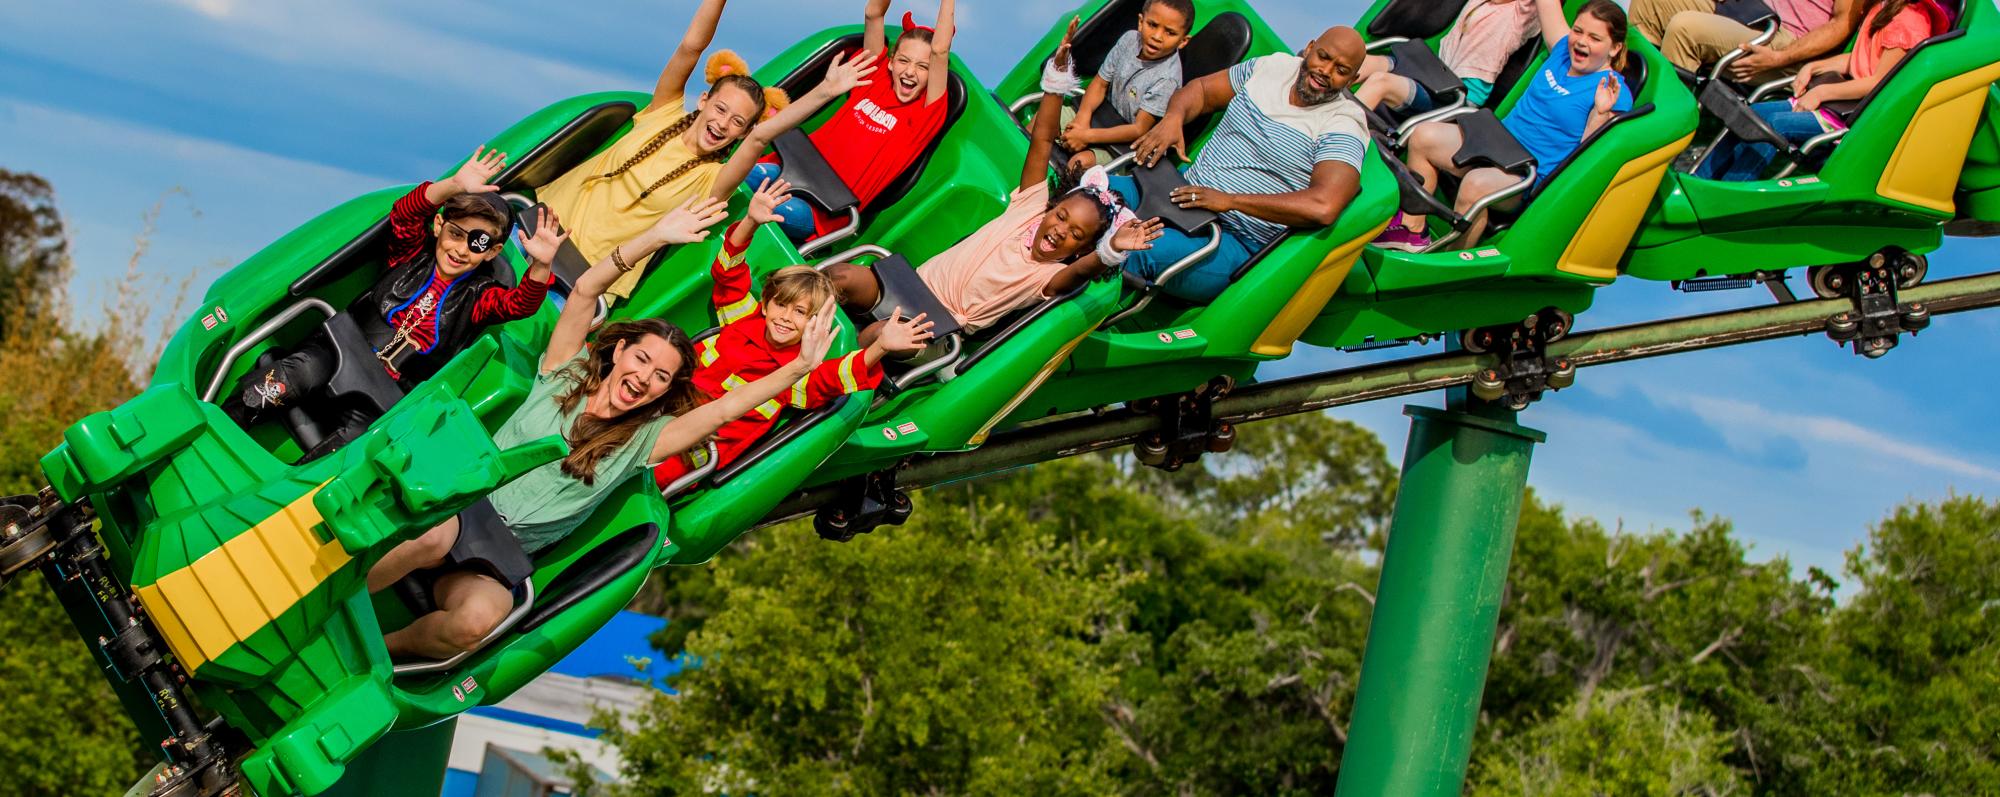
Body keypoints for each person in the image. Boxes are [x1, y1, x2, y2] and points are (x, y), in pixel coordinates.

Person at [365, 197, 839, 661]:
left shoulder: (645, 441)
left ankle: (380, 655)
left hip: (498, 554)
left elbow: (722, 411)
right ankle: (331, 606)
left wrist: (798, 368)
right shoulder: (565, 370)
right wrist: (654, 237)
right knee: (431, 536)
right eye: (642, 358)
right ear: (618, 352)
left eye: (661, 376)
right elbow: (587, 291)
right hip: (465, 507)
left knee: (477, 621)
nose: (645, 377)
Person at [223, 147, 560, 459]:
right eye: (456, 234)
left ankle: (286, 504)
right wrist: (454, 185)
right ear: (440, 226)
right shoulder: (411, 255)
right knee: (281, 381)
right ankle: (220, 428)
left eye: (476, 243)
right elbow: (406, 214)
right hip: (340, 349)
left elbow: (519, 304)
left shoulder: (478, 296)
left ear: (492, 252)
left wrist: (542, 265)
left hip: (383, 392)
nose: (460, 250)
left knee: (351, 453)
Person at [535, 0, 878, 302]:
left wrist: (826, 91)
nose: (724, 123)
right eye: (721, 109)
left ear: (743, 132)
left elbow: (762, 139)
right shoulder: (661, 114)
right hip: (536, 227)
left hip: (578, 279)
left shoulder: (711, 182)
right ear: (703, 101)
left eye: (738, 122)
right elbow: (690, 48)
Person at [824, 68, 1165, 338]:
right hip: (911, 284)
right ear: (1053, 207)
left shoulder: (1048, 274)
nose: (1061, 230)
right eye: (1061, 216)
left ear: (1082, 248)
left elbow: (1080, 272)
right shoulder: (1030, 207)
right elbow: (1042, 141)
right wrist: (1056, 84)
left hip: (936, 328)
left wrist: (1110, 252)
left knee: (880, 333)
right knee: (840, 276)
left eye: (1076, 234)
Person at [652, 180, 935, 488]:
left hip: (685, 455)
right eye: (782, 306)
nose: (786, 318)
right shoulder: (742, 317)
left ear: (813, 323)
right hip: (655, 408)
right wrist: (750, 221)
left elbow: (837, 376)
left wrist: (881, 345)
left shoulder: (796, 371)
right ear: (765, 303)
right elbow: (729, 271)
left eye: (800, 313)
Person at [1123, 25, 1371, 302]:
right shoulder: (1273, 66)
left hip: (1235, 239)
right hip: (1179, 192)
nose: (1325, 71)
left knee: (1136, 250)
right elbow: (1202, 91)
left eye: (1341, 70)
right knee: (1087, 197)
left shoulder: (1344, 124)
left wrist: (1230, 201)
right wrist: (1173, 119)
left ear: (1352, 81)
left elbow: (1323, 206)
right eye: (1323, 57)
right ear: (1310, 47)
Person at [1373, 0, 1632, 252]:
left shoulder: (1611, 92)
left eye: (1595, 39)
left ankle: (1451, 261)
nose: (1582, 41)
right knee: (1423, 136)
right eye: (1578, 31)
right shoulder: (1564, 50)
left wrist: (1600, 113)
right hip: (1495, 143)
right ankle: (1412, 231)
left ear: (1614, 48)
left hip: (1525, 174)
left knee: (1476, 183)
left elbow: (1587, 163)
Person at [743, 0, 957, 246]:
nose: (910, 72)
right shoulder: (873, 77)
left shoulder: (924, 115)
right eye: (904, 61)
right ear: (890, 61)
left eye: (923, 67)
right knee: (743, 176)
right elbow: (873, 13)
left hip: (822, 211)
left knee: (770, 208)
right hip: (787, 170)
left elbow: (940, 50)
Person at [1696, 0, 1931, 182]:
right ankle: (1698, 180)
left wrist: (1820, 93)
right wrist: (1814, 67)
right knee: (1751, 112)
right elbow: (1860, 60)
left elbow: (1878, 81)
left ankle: (1732, 191)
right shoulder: (1882, 8)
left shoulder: (1908, 23)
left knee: (1773, 126)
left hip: (1853, 118)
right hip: (1836, 105)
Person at [1055, 0, 1195, 172]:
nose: (1157, 37)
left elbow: (1138, 129)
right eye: (1153, 25)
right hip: (1100, 115)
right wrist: (1081, 120)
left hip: (1125, 146)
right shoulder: (1129, 40)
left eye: (1170, 33)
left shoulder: (1168, 79)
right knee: (1045, 120)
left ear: (1183, 41)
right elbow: (1099, 83)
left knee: (1079, 164)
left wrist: (1086, 136)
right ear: (1141, 22)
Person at [1352, 0, 1541, 113]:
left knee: (1381, 82)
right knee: (1363, 62)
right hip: (1431, 73)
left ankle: (1333, 139)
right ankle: (1322, 107)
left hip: (1457, 96)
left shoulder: (1522, 14)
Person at [1631, 0, 1833, 80]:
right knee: (1650, 4)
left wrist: (1781, 57)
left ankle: (1663, 134)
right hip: (1752, 12)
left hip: (1789, 43)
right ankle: (1623, 105)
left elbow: (1840, 27)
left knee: (1686, 28)